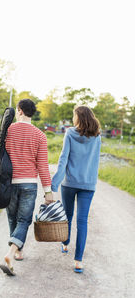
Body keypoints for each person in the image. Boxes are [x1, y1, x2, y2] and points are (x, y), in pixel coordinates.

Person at [0, 99, 53, 276]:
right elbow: (42, 165)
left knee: (12, 219)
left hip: (8, 183)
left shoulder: (6, 131)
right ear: (32, 113)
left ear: (19, 111)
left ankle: (16, 251)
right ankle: (13, 252)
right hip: (29, 184)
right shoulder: (40, 135)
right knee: (24, 220)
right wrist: (48, 191)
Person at [51, 105, 101, 273]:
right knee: (82, 221)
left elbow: (63, 158)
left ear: (78, 117)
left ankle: (65, 245)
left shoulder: (70, 133)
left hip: (69, 183)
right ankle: (78, 261)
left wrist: (54, 183)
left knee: (68, 216)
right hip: (88, 184)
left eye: (74, 116)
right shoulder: (97, 136)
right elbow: (95, 161)